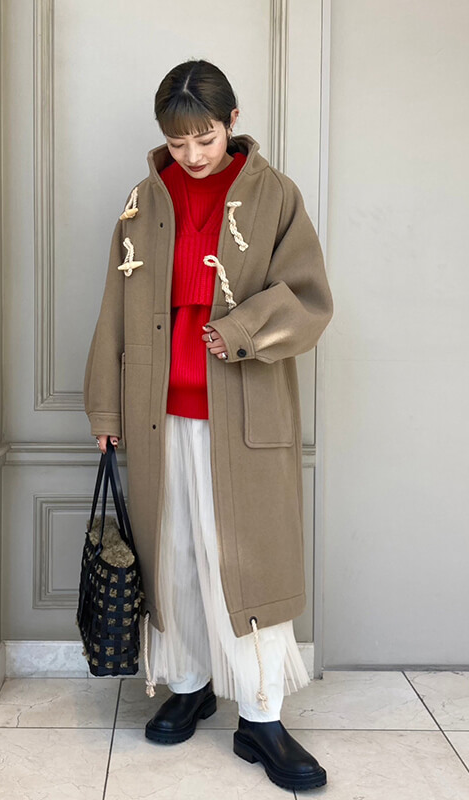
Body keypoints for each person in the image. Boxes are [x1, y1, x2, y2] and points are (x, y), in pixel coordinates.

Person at [83, 59, 334, 792]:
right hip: (157, 416)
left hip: (245, 415)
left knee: (248, 564)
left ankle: (262, 717)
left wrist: (243, 329)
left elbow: (310, 297)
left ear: (231, 122)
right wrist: (106, 409)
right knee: (175, 557)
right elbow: (114, 309)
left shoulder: (274, 195)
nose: (193, 154)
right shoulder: (143, 200)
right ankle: (189, 685)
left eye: (206, 137)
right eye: (177, 141)